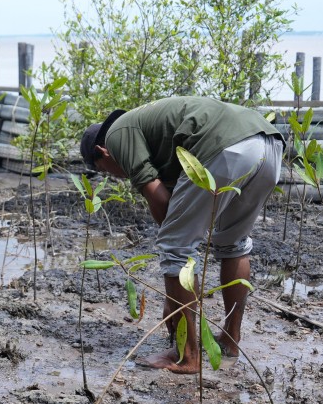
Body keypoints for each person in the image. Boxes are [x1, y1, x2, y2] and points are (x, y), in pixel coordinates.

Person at [80, 96, 284, 373]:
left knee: (175, 247)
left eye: (107, 172)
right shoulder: (148, 129)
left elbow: (165, 209)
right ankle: (230, 342)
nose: (118, 176)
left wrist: (173, 295)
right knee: (233, 245)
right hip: (268, 144)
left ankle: (187, 356)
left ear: (103, 153)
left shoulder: (117, 135)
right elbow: (179, 209)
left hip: (223, 145)